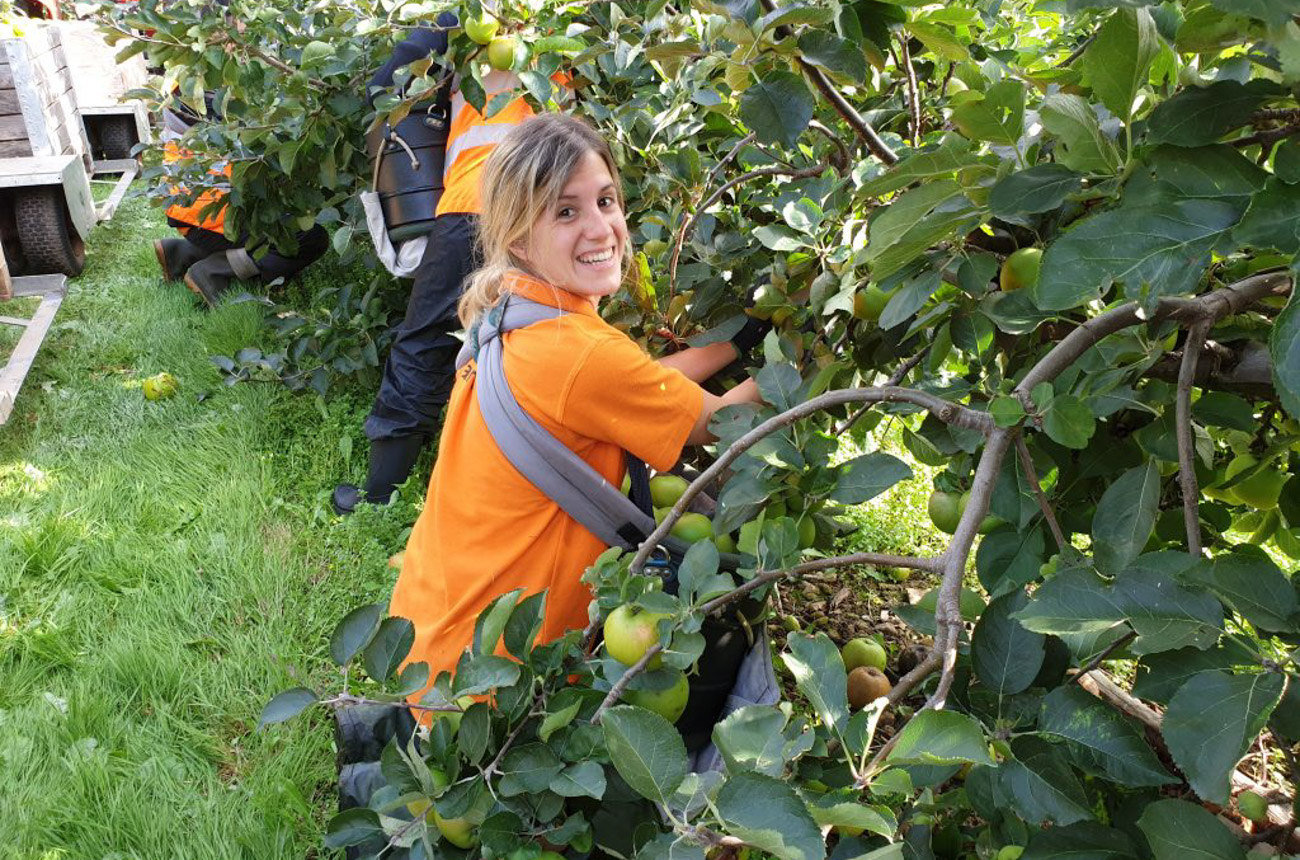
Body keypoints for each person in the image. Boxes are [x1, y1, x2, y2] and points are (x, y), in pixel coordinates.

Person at [387, 113, 764, 696]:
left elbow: (639, 383)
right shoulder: (580, 354)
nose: (601, 229)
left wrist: (734, 344)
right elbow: (719, 422)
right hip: (495, 690)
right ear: (518, 236)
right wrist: (813, 361)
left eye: (606, 201)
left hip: (431, 646)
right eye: (566, 211)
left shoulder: (513, 310)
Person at [332, 17, 558, 514]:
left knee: (426, 339)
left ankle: (378, 495)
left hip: (479, 200)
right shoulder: (576, 24)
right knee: (535, 342)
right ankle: (529, 489)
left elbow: (384, 87)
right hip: (557, 212)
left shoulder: (469, 21)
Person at [153, 114, 329, 306]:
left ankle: (184, 254)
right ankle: (213, 271)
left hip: (191, 209)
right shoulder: (213, 97)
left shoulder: (183, 90)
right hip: (214, 211)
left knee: (281, 221)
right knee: (308, 238)